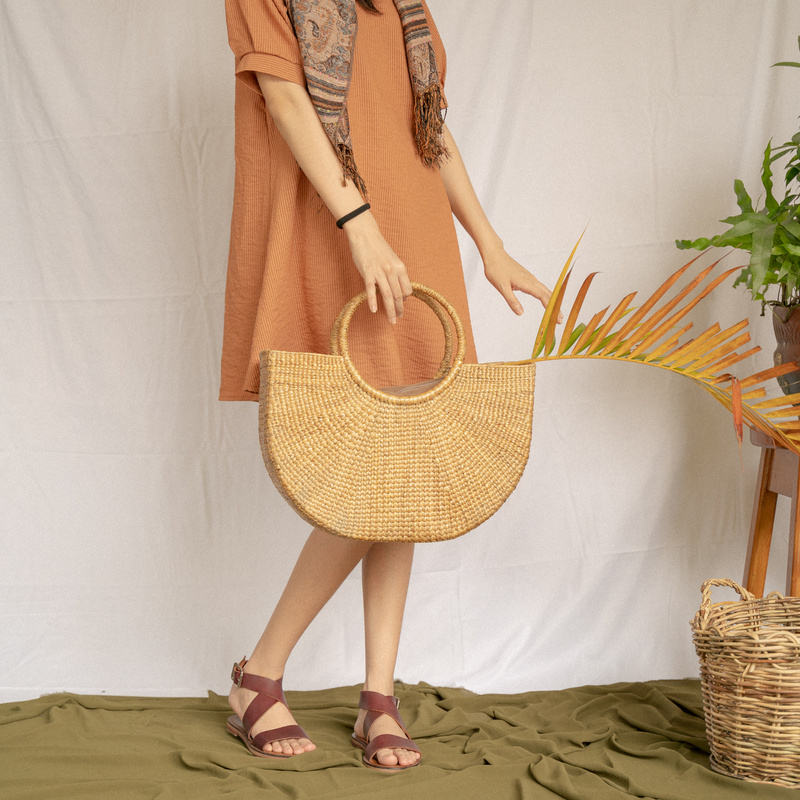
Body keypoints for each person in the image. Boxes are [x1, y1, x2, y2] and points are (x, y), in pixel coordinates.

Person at [220, 0, 555, 771]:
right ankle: (262, 672)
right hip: (338, 225)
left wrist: (489, 245)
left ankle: (378, 696)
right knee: (374, 464)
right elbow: (284, 98)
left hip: (415, 229)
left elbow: (427, 130)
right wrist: (359, 224)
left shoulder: (403, 4)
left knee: (408, 450)